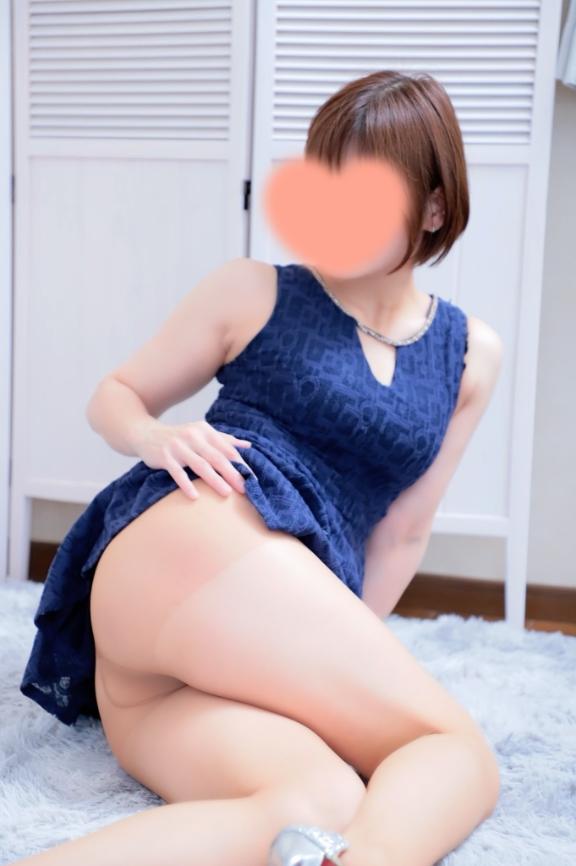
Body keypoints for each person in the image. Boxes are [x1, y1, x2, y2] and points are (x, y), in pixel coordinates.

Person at [17, 70, 503, 866]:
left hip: (171, 672)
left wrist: (334, 668)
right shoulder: (254, 291)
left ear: (434, 207)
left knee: (322, 802)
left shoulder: (469, 355)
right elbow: (115, 395)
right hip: (197, 534)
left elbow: (404, 534)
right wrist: (155, 437)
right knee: (455, 753)